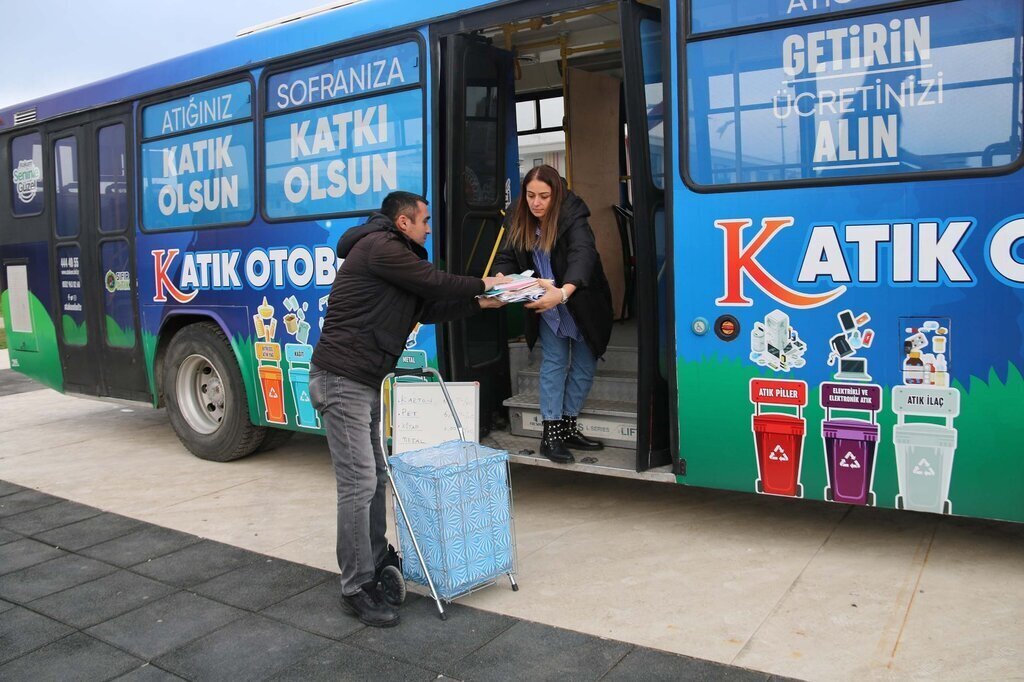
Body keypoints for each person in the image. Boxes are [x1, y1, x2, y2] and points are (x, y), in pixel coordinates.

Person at [310, 191, 507, 628]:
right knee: (359, 483)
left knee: (376, 477)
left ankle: (378, 560)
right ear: (403, 222)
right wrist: (484, 283)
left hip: (361, 379)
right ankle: (356, 586)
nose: (429, 228)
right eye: (425, 220)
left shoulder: (394, 255)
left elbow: (430, 305)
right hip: (341, 380)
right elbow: (436, 283)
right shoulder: (380, 248)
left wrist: (480, 302)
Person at [492, 165, 613, 464]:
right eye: (531, 195)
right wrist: (501, 277)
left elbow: (583, 254)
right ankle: (551, 433)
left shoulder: (574, 216)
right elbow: (506, 256)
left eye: (544, 196)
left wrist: (564, 291)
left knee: (585, 365)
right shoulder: (517, 217)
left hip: (579, 301)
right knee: (555, 364)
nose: (536, 203)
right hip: (546, 305)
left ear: (556, 194)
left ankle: (569, 426)